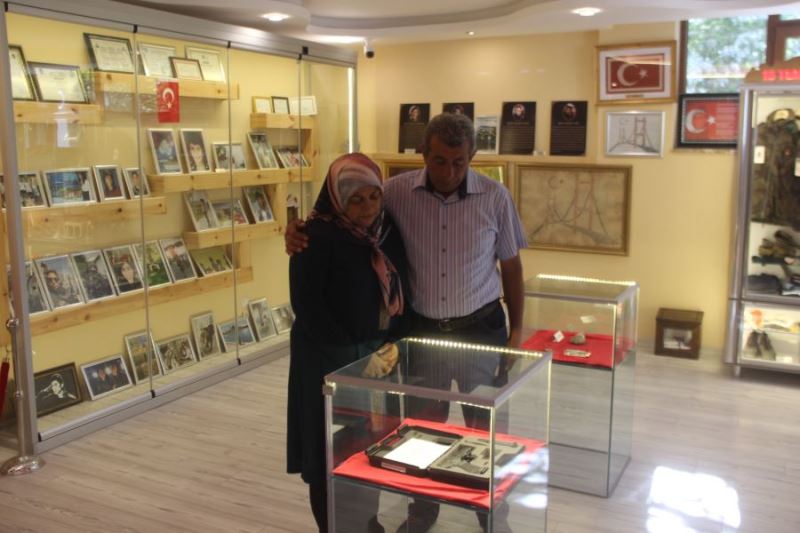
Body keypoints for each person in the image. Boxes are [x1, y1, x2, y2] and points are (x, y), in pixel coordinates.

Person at [286, 113, 526, 532]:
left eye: (459, 162)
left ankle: (492, 517)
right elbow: (335, 216)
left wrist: (517, 331)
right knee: (421, 428)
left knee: (487, 430)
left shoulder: (495, 197)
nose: (449, 172)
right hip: (422, 334)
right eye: (439, 161)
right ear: (423, 155)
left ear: (472, 157)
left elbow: (512, 267)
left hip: (479, 330)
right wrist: (294, 230)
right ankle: (421, 511)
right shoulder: (395, 192)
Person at [286, 153, 408, 533]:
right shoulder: (315, 237)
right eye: (355, 200)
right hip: (327, 363)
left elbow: (402, 287)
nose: (368, 207)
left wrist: (394, 341)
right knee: (329, 454)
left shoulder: (386, 231)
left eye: (374, 196)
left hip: (377, 361)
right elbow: (308, 307)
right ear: (337, 198)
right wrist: (354, 357)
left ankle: (368, 523)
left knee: (372, 447)